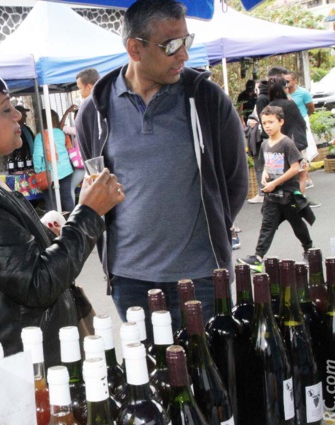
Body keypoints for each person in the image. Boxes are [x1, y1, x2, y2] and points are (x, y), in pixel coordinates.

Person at [0, 63, 124, 378]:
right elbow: (36, 283)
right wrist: (89, 213)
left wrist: (44, 234)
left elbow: (8, 259)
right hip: (2, 365)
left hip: (12, 352)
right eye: (6, 110)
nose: (18, 116)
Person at [75, 0, 248, 332]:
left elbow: (235, 181)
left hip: (201, 275)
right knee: (149, 376)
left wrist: (215, 226)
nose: (184, 54)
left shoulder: (208, 100)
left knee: (207, 375)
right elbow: (93, 180)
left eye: (187, 41)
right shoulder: (94, 111)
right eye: (172, 45)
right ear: (135, 49)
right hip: (130, 280)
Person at [238, 106, 315, 272]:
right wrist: (266, 174)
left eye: (271, 122)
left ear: (281, 122)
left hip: (288, 195)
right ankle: (258, 258)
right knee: (267, 226)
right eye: (264, 122)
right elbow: (267, 163)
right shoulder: (265, 144)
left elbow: (296, 167)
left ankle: (309, 250)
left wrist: (276, 182)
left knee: (298, 225)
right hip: (272, 196)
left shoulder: (287, 143)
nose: (267, 126)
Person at [247, 65, 289, 204]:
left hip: (266, 138)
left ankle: (265, 192)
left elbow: (263, 118)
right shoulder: (272, 98)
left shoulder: (264, 98)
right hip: (270, 137)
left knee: (264, 165)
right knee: (270, 165)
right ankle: (271, 193)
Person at [63, 68, 102, 208]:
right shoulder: (108, 100)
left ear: (89, 86)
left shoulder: (89, 105)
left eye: (79, 88)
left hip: (95, 162)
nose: (80, 93)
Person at [33, 109, 75, 212]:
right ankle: (72, 221)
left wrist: (38, 171)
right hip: (66, 169)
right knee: (66, 197)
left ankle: (53, 226)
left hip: (49, 173)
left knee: (51, 200)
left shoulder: (40, 136)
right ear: (55, 119)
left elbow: (37, 156)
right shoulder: (60, 133)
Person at [285, 70, 317, 192]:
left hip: (300, 124)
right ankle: (303, 177)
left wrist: (304, 119)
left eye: (288, 81)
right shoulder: (284, 93)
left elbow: (311, 108)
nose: (286, 83)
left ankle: (306, 178)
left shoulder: (303, 93)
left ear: (294, 80)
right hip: (289, 124)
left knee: (302, 149)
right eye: (284, 81)